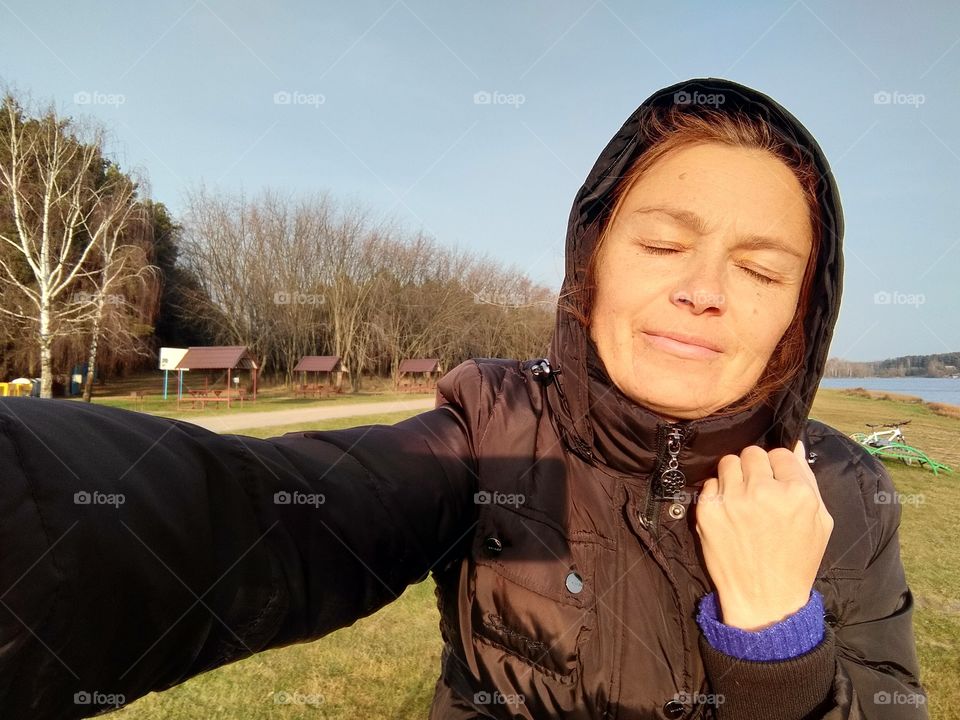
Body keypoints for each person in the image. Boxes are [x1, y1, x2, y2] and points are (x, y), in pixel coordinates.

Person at [0, 77, 926, 720]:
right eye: (660, 245)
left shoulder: (840, 489)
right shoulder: (496, 430)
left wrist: (776, 644)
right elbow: (265, 512)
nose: (704, 290)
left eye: (761, 268)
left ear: (800, 315)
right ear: (589, 266)